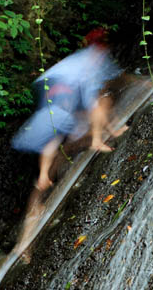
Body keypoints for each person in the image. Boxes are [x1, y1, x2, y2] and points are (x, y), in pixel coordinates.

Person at [11, 29, 123, 192]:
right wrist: (109, 129)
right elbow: (90, 95)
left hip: (47, 82)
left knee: (58, 129)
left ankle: (43, 176)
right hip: (62, 84)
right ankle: (97, 141)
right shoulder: (93, 57)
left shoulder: (82, 56)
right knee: (100, 102)